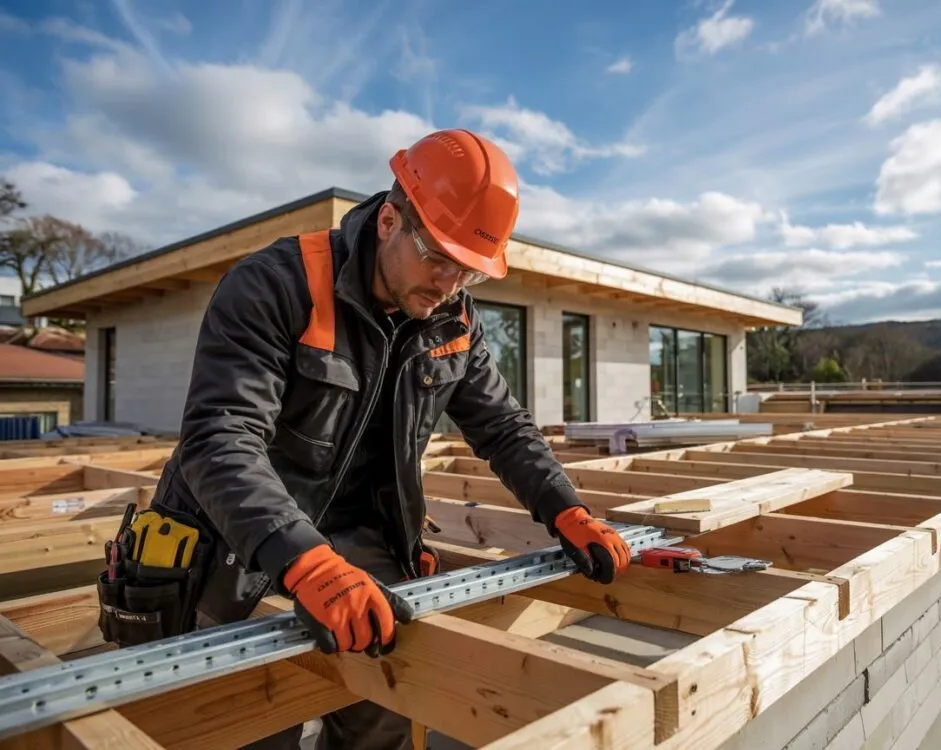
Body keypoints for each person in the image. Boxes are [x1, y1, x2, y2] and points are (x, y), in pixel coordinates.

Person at [147, 128, 632, 749]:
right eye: (438, 257)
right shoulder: (276, 286)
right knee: (254, 721)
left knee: (385, 713)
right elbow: (220, 438)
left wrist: (568, 509)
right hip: (240, 550)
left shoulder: (452, 321)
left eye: (470, 272)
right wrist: (305, 558)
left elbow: (503, 426)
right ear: (388, 220)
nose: (450, 284)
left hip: (362, 546)